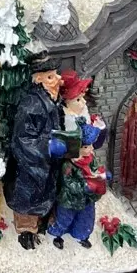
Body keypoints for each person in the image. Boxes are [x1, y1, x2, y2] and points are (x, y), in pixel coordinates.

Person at [3, 53, 64, 250]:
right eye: (50, 77)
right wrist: (48, 145)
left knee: (44, 195)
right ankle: (26, 232)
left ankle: (41, 223)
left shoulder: (53, 100)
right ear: (38, 80)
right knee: (29, 201)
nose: (58, 80)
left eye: (56, 75)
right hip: (30, 167)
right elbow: (22, 140)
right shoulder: (31, 105)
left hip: (47, 163)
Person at [48, 72, 108, 249]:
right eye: (78, 100)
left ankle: (81, 234)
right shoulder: (70, 164)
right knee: (65, 216)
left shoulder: (89, 158)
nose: (83, 104)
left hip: (86, 198)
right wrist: (84, 186)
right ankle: (57, 234)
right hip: (71, 198)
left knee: (86, 217)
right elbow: (67, 182)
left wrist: (101, 178)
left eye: (83, 99)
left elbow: (96, 170)